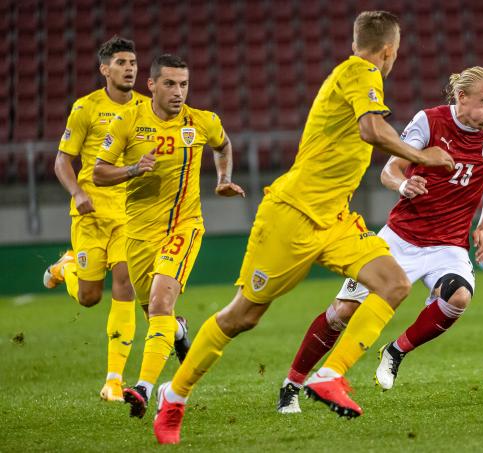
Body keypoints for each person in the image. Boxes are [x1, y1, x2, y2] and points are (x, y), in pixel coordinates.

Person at [153, 11, 454, 445]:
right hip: (291, 214)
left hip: (334, 218)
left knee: (392, 284)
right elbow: (372, 129)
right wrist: (423, 156)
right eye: (397, 51)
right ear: (389, 50)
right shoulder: (360, 71)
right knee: (244, 316)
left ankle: (330, 376)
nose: (395, 59)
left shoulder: (356, 73)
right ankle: (175, 395)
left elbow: (368, 129)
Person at [276, 66, 483, 413]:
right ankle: (292, 384)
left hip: (448, 245)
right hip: (400, 239)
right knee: (342, 313)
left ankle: (396, 350)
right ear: (462, 98)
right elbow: (390, 169)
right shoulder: (429, 122)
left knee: (459, 297)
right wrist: (403, 185)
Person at [92, 54, 245, 418]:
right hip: (139, 234)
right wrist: (132, 169)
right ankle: (178, 332)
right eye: (170, 84)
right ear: (151, 85)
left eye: (184, 84)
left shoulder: (202, 121)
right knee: (157, 316)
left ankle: (144, 388)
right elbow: (98, 172)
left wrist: (223, 180)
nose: (179, 92)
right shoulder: (128, 121)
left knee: (160, 303)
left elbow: (222, 145)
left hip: (183, 226)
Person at [42, 36, 150, 402]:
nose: (130, 68)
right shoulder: (85, 108)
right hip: (90, 214)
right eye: (121, 62)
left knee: (126, 283)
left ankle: (114, 381)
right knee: (89, 297)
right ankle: (65, 268)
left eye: (133, 62)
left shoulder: (147, 108)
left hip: (129, 214)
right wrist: (78, 192)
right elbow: (62, 161)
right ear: (105, 69)